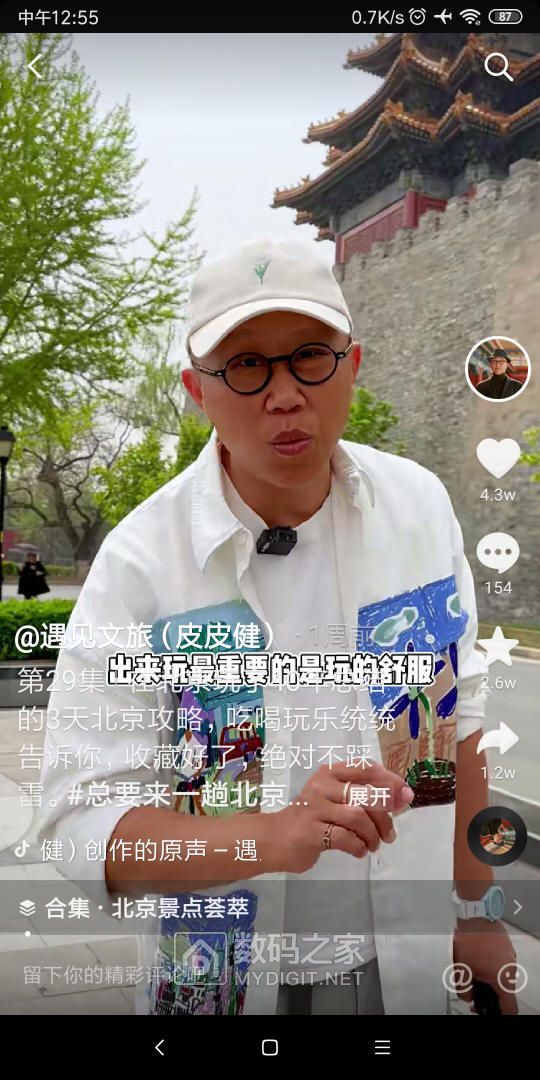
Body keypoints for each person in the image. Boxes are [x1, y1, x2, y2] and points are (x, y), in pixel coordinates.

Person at [38, 237, 518, 1017]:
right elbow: (80, 825)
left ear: (352, 366)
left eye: (309, 357)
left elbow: (458, 722)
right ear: (197, 391)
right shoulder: (141, 567)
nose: (285, 394)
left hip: (405, 963)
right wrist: (270, 837)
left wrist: (478, 912)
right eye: (246, 366)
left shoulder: (419, 510)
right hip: (219, 983)